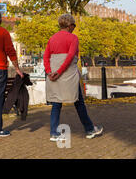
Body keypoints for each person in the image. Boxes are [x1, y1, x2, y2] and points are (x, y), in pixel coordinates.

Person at [44, 13, 103, 141]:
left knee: (56, 103)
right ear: (70, 25)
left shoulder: (52, 39)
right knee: (79, 102)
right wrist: (59, 72)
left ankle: (54, 132)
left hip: (53, 76)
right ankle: (89, 129)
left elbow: (46, 57)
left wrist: (49, 72)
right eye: (74, 25)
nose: (75, 28)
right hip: (68, 75)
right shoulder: (73, 38)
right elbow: (70, 57)